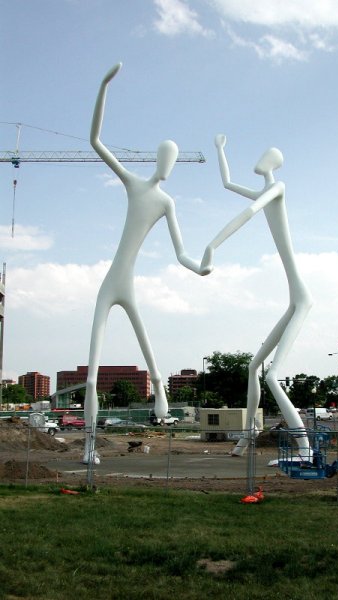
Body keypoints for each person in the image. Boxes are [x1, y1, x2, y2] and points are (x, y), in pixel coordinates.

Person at [83, 64, 210, 464]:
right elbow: (95, 141)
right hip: (110, 284)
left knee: (153, 361)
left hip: (130, 285)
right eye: (165, 158)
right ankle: (88, 447)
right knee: (92, 374)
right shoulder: (134, 184)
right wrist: (104, 87)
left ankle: (160, 395)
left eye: (174, 160)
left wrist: (199, 267)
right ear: (157, 159)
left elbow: (180, 253)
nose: (168, 165)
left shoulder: (167, 202)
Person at [201, 135, 313, 457]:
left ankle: (304, 448)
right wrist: (221, 149)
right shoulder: (266, 190)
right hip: (293, 299)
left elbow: (250, 212)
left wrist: (212, 246)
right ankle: (247, 438)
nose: (259, 159)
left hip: (301, 298)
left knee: (273, 375)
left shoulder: (277, 188)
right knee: (253, 368)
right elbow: (227, 184)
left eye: (266, 156)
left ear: (273, 163)